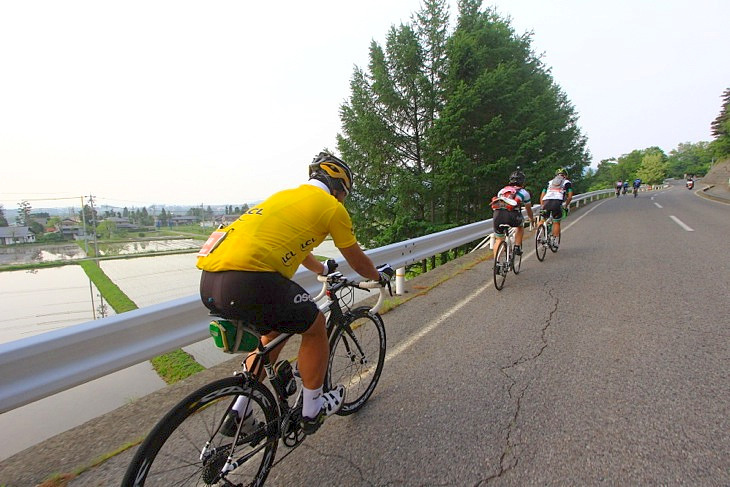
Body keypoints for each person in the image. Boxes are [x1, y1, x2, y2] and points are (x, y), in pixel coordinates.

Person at [197, 151, 394, 436]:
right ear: (338, 189)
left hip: (211, 280)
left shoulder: (284, 197)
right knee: (314, 328)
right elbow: (356, 259)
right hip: (252, 280)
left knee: (272, 336)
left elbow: (296, 246)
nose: (341, 200)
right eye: (343, 195)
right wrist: (377, 276)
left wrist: (321, 268)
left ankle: (239, 409)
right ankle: (312, 409)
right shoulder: (331, 207)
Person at [491, 170, 534, 257]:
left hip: (498, 215)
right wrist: (531, 219)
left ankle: (497, 263)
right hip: (513, 215)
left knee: (499, 239)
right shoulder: (524, 193)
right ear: (522, 182)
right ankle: (517, 247)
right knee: (520, 226)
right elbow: (528, 209)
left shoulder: (502, 191)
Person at [539, 168, 573, 250]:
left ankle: (539, 235)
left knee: (543, 219)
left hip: (546, 201)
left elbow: (542, 194)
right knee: (556, 222)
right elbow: (570, 196)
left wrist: (542, 205)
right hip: (557, 202)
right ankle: (554, 241)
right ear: (565, 176)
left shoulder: (549, 182)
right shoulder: (567, 182)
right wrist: (566, 205)